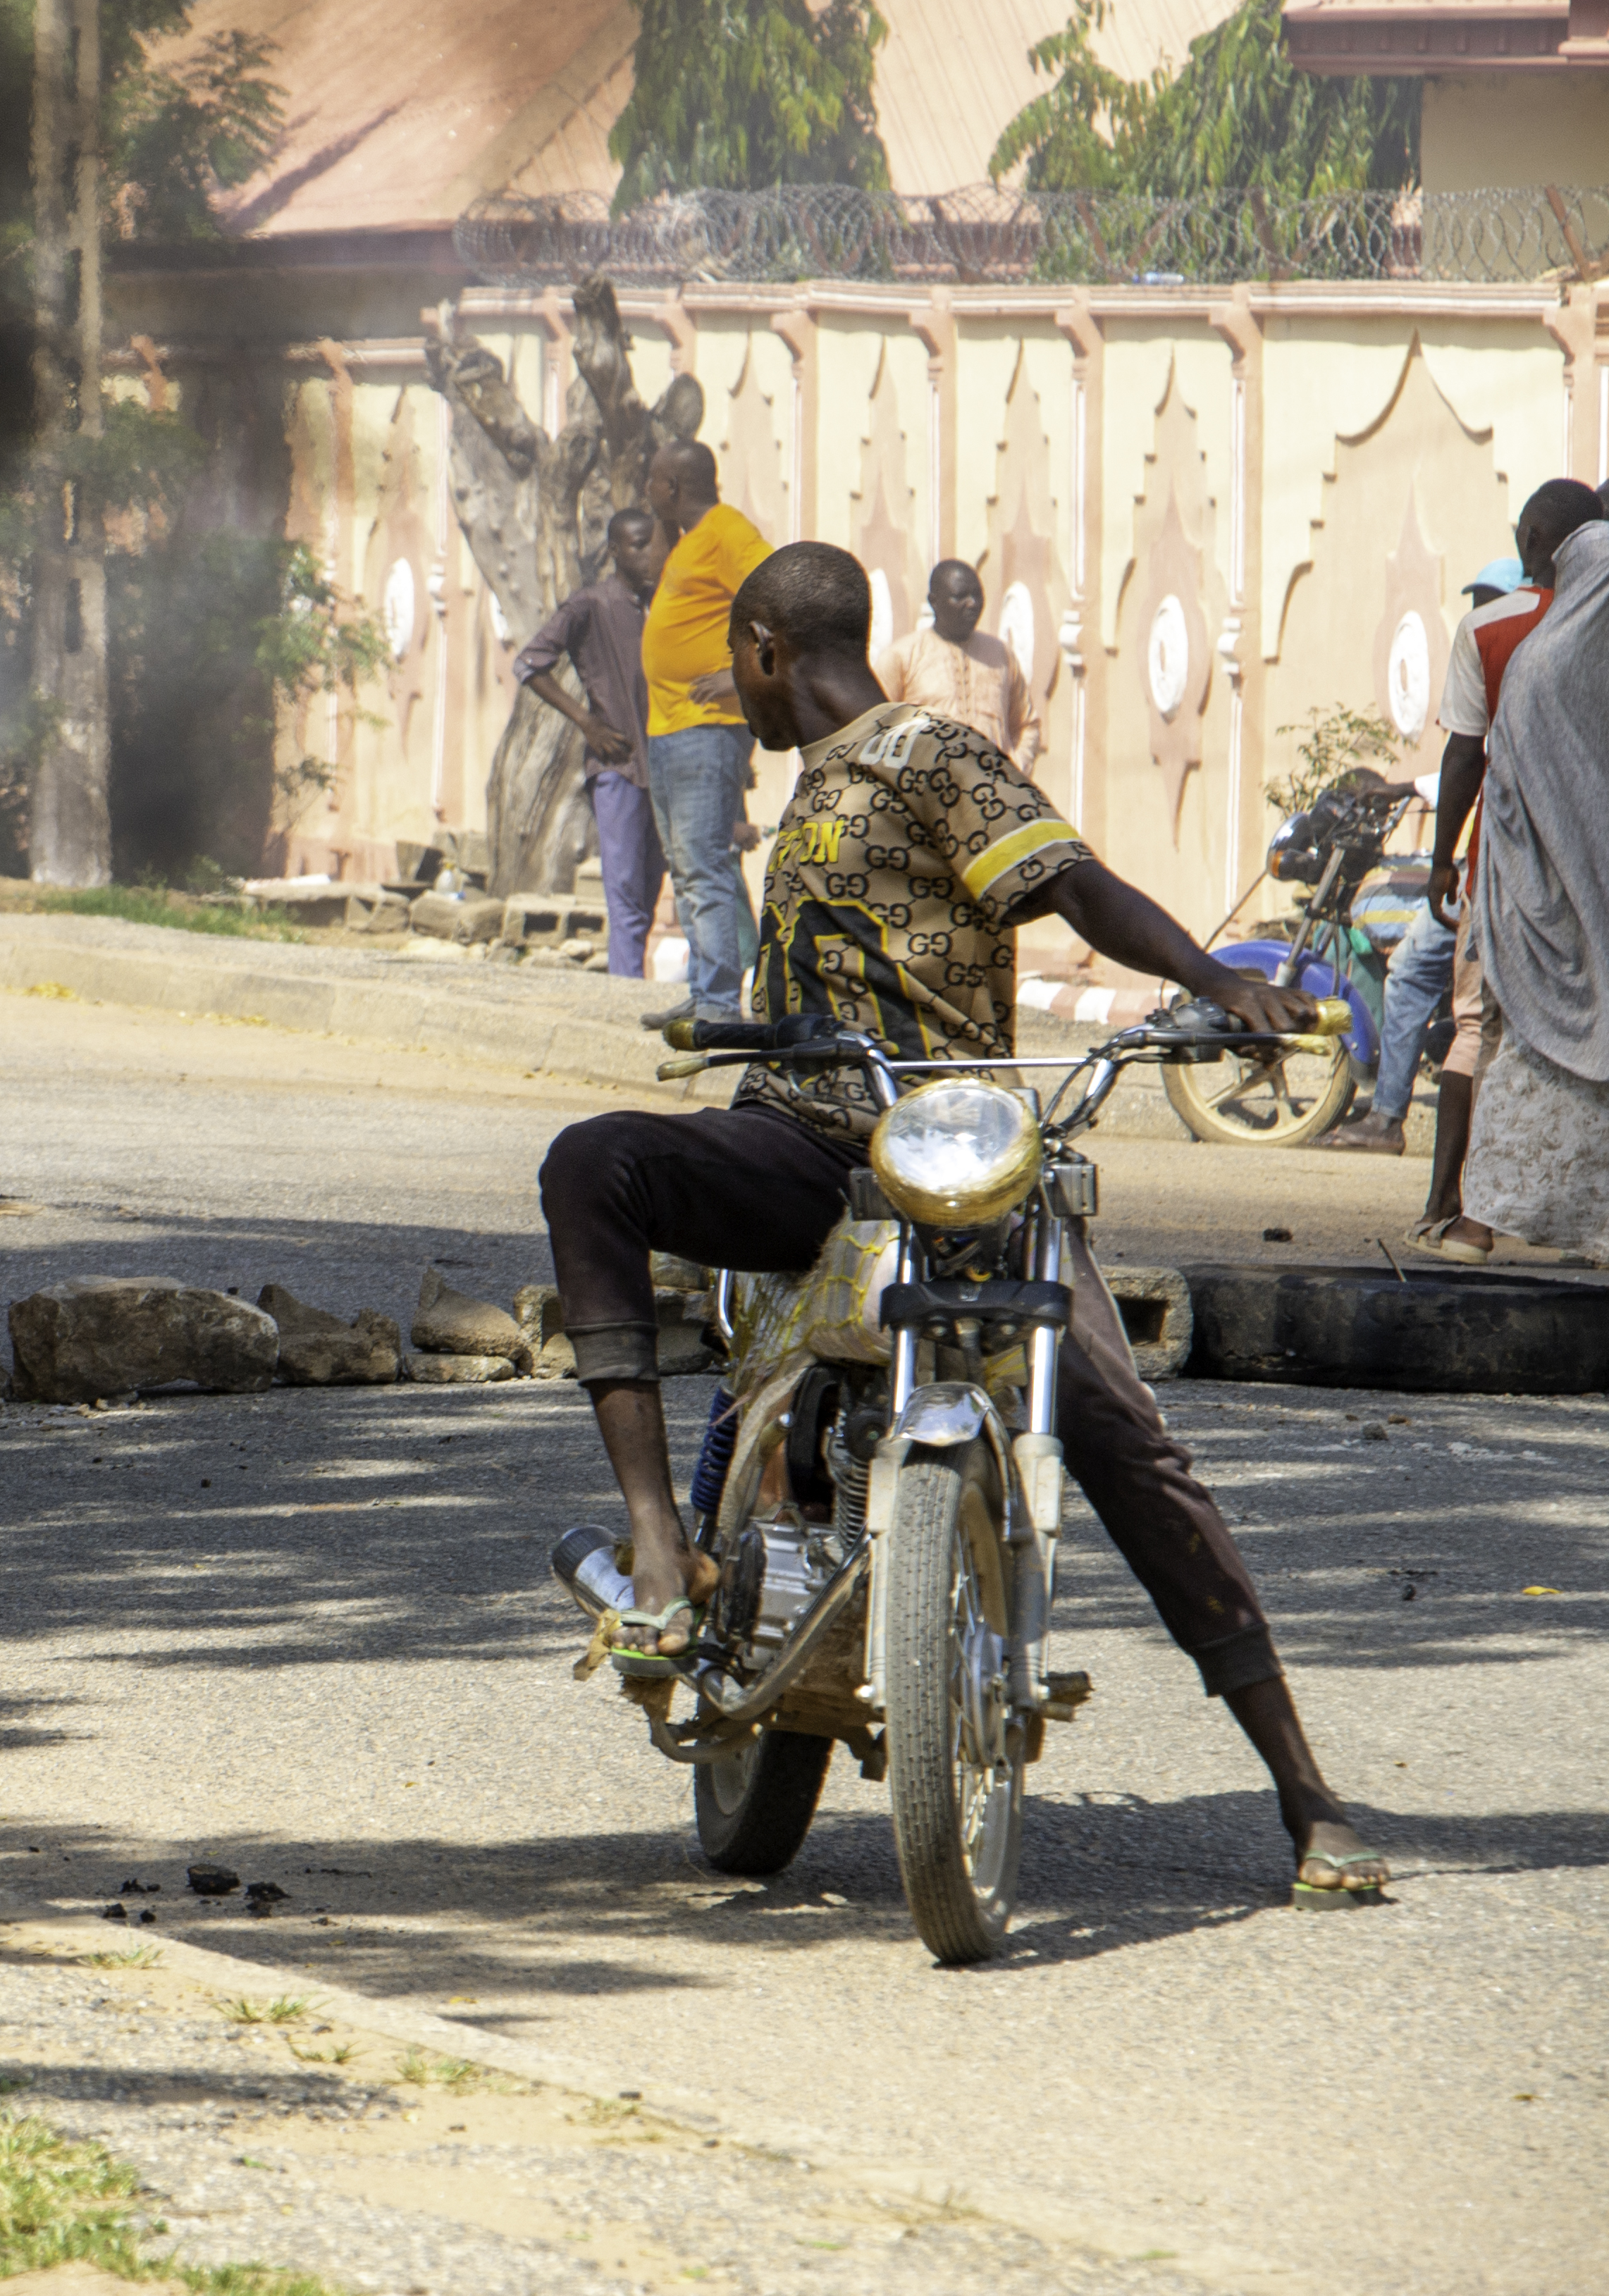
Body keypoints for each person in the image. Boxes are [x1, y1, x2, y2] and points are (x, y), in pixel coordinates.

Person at [536, 539, 1388, 1906]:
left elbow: (1076, 887)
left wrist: (1217, 983)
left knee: (1128, 1444)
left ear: (764, 651)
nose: (739, 704)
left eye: (737, 676)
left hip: (960, 1157)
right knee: (594, 1167)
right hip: (802, 1142)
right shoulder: (811, 783)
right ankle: (661, 1545)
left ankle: (1307, 1794)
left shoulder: (927, 751)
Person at [1407, 486, 1602, 1260]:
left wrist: (1441, 859)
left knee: (1482, 1033)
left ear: (1532, 538)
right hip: (1597, 886)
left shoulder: (1501, 630)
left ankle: (1459, 1212)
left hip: (1513, 877)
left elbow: (1464, 753)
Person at [1326, 558, 1522, 1156]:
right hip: (1510, 860)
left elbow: (1471, 759)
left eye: (1491, 599)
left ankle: (1389, 1121)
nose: (1478, 611)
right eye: (1478, 599)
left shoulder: (1509, 659)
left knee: (1426, 981)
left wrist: (1425, 822)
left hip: (1489, 864)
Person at [633, 439, 767, 1026]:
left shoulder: (726, 530)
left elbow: (776, 598)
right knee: (688, 865)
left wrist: (739, 678)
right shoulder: (689, 541)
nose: (645, 494)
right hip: (671, 727)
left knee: (705, 864)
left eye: (653, 483)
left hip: (707, 728)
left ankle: (719, 1002)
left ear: (673, 489)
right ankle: (705, 989)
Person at [514, 507, 665, 980]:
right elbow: (531, 664)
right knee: (624, 894)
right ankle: (624, 993)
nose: (646, 554)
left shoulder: (666, 605)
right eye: (636, 544)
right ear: (615, 550)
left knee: (653, 888)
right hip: (617, 770)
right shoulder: (591, 605)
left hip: (666, 772)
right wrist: (587, 722)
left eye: (651, 543)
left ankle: (637, 987)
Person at [873, 557, 1042, 773]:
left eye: (977, 595)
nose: (972, 603)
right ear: (934, 602)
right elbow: (876, 730)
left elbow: (1027, 725)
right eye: (961, 596)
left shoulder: (1000, 655)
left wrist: (1014, 771)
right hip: (927, 796)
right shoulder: (902, 657)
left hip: (993, 796)